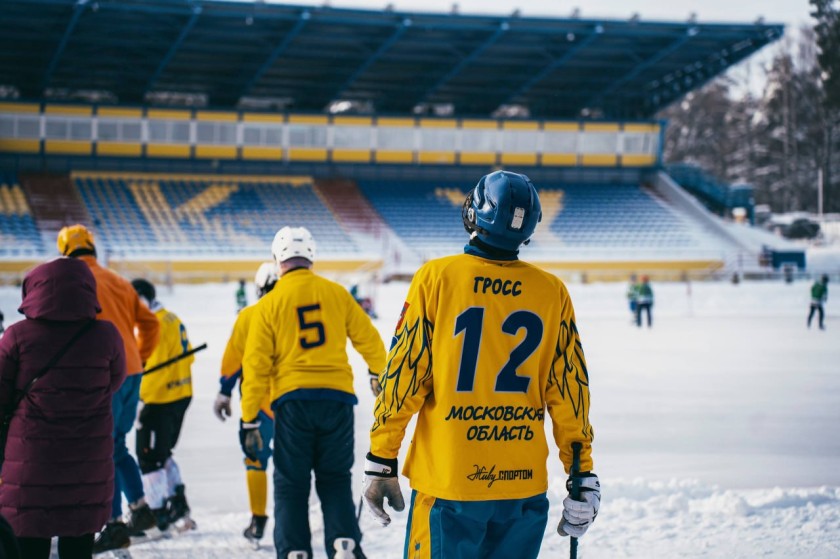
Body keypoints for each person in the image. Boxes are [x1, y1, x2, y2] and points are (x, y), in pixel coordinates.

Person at [362, 171, 600, 558]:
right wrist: (581, 472)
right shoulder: (551, 291)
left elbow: (405, 377)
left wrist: (382, 459)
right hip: (522, 490)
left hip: (449, 484)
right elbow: (569, 390)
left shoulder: (436, 278)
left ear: (475, 213)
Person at [240, 226, 387, 559]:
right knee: (335, 478)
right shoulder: (336, 293)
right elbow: (369, 339)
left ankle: (294, 551)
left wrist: (250, 419)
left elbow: (256, 369)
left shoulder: (268, 304)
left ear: (278, 259)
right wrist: (379, 372)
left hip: (292, 403)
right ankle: (344, 544)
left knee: (291, 484)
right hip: (337, 400)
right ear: (310, 256)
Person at [0, 257, 126, 559]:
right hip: (88, 462)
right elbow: (115, 380)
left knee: (29, 541)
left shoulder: (17, 336)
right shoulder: (106, 335)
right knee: (79, 543)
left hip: (31, 463)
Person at [56, 224, 161, 553]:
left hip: (103, 375)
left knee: (102, 449)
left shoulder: (73, 283)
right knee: (116, 444)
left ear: (65, 253)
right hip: (131, 374)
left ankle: (114, 524)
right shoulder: (118, 280)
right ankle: (140, 509)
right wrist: (139, 357)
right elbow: (151, 324)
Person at [214, 263, 279, 546]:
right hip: (295, 402)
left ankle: (258, 518)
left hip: (259, 404)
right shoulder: (297, 311)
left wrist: (224, 392)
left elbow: (233, 360)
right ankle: (291, 520)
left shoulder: (249, 315)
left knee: (256, 461)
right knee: (295, 465)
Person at [131, 279, 196, 533]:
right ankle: (177, 501)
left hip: (159, 400)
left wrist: (139, 401)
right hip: (181, 394)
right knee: (163, 451)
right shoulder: (172, 317)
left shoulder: (152, 324)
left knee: (148, 458)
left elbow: (151, 369)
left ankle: (156, 513)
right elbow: (188, 354)